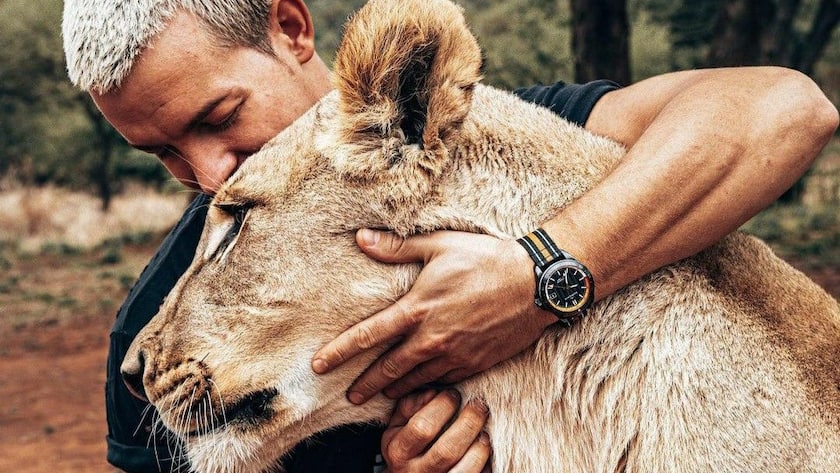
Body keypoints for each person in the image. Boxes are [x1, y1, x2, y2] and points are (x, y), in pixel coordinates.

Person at [61, 0, 839, 472]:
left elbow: (783, 108)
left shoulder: (483, 140)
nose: (206, 176)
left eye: (218, 118)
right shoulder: (153, 325)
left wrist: (541, 273)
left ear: (292, 28)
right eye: (162, 153)